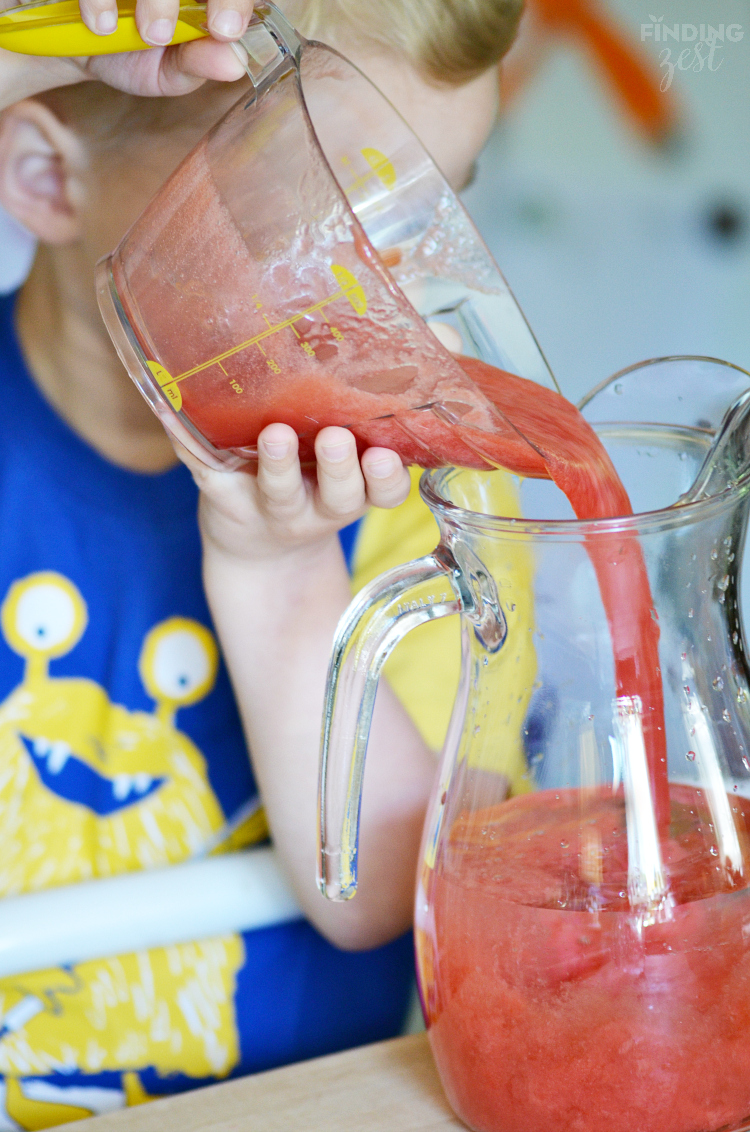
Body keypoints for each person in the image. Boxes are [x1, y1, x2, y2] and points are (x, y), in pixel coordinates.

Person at [0, 0, 522, 1124]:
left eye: (434, 216)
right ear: (44, 178)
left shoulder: (423, 497)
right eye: (329, 216)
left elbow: (389, 890)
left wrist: (281, 575)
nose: (409, 300)